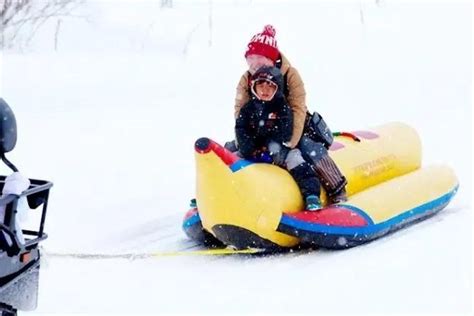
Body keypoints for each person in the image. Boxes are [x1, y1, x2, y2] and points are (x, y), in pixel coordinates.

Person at [229, 24, 348, 204]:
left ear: (271, 59)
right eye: (250, 60)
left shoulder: (290, 75)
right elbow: (241, 112)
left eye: (259, 59)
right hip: (260, 128)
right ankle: (221, 191)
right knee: (230, 149)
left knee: (309, 149)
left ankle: (336, 188)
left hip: (291, 126)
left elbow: (298, 108)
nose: (254, 65)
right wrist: (246, 143)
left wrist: (288, 143)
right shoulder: (247, 78)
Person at [235, 66, 322, 211]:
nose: (265, 89)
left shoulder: (282, 108)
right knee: (230, 159)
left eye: (270, 86)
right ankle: (214, 190)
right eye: (261, 85)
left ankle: (311, 195)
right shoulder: (248, 109)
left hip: (279, 151)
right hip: (253, 151)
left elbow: (284, 132)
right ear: (253, 87)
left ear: (277, 89)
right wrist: (250, 150)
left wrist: (271, 150)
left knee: (297, 161)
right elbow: (241, 130)